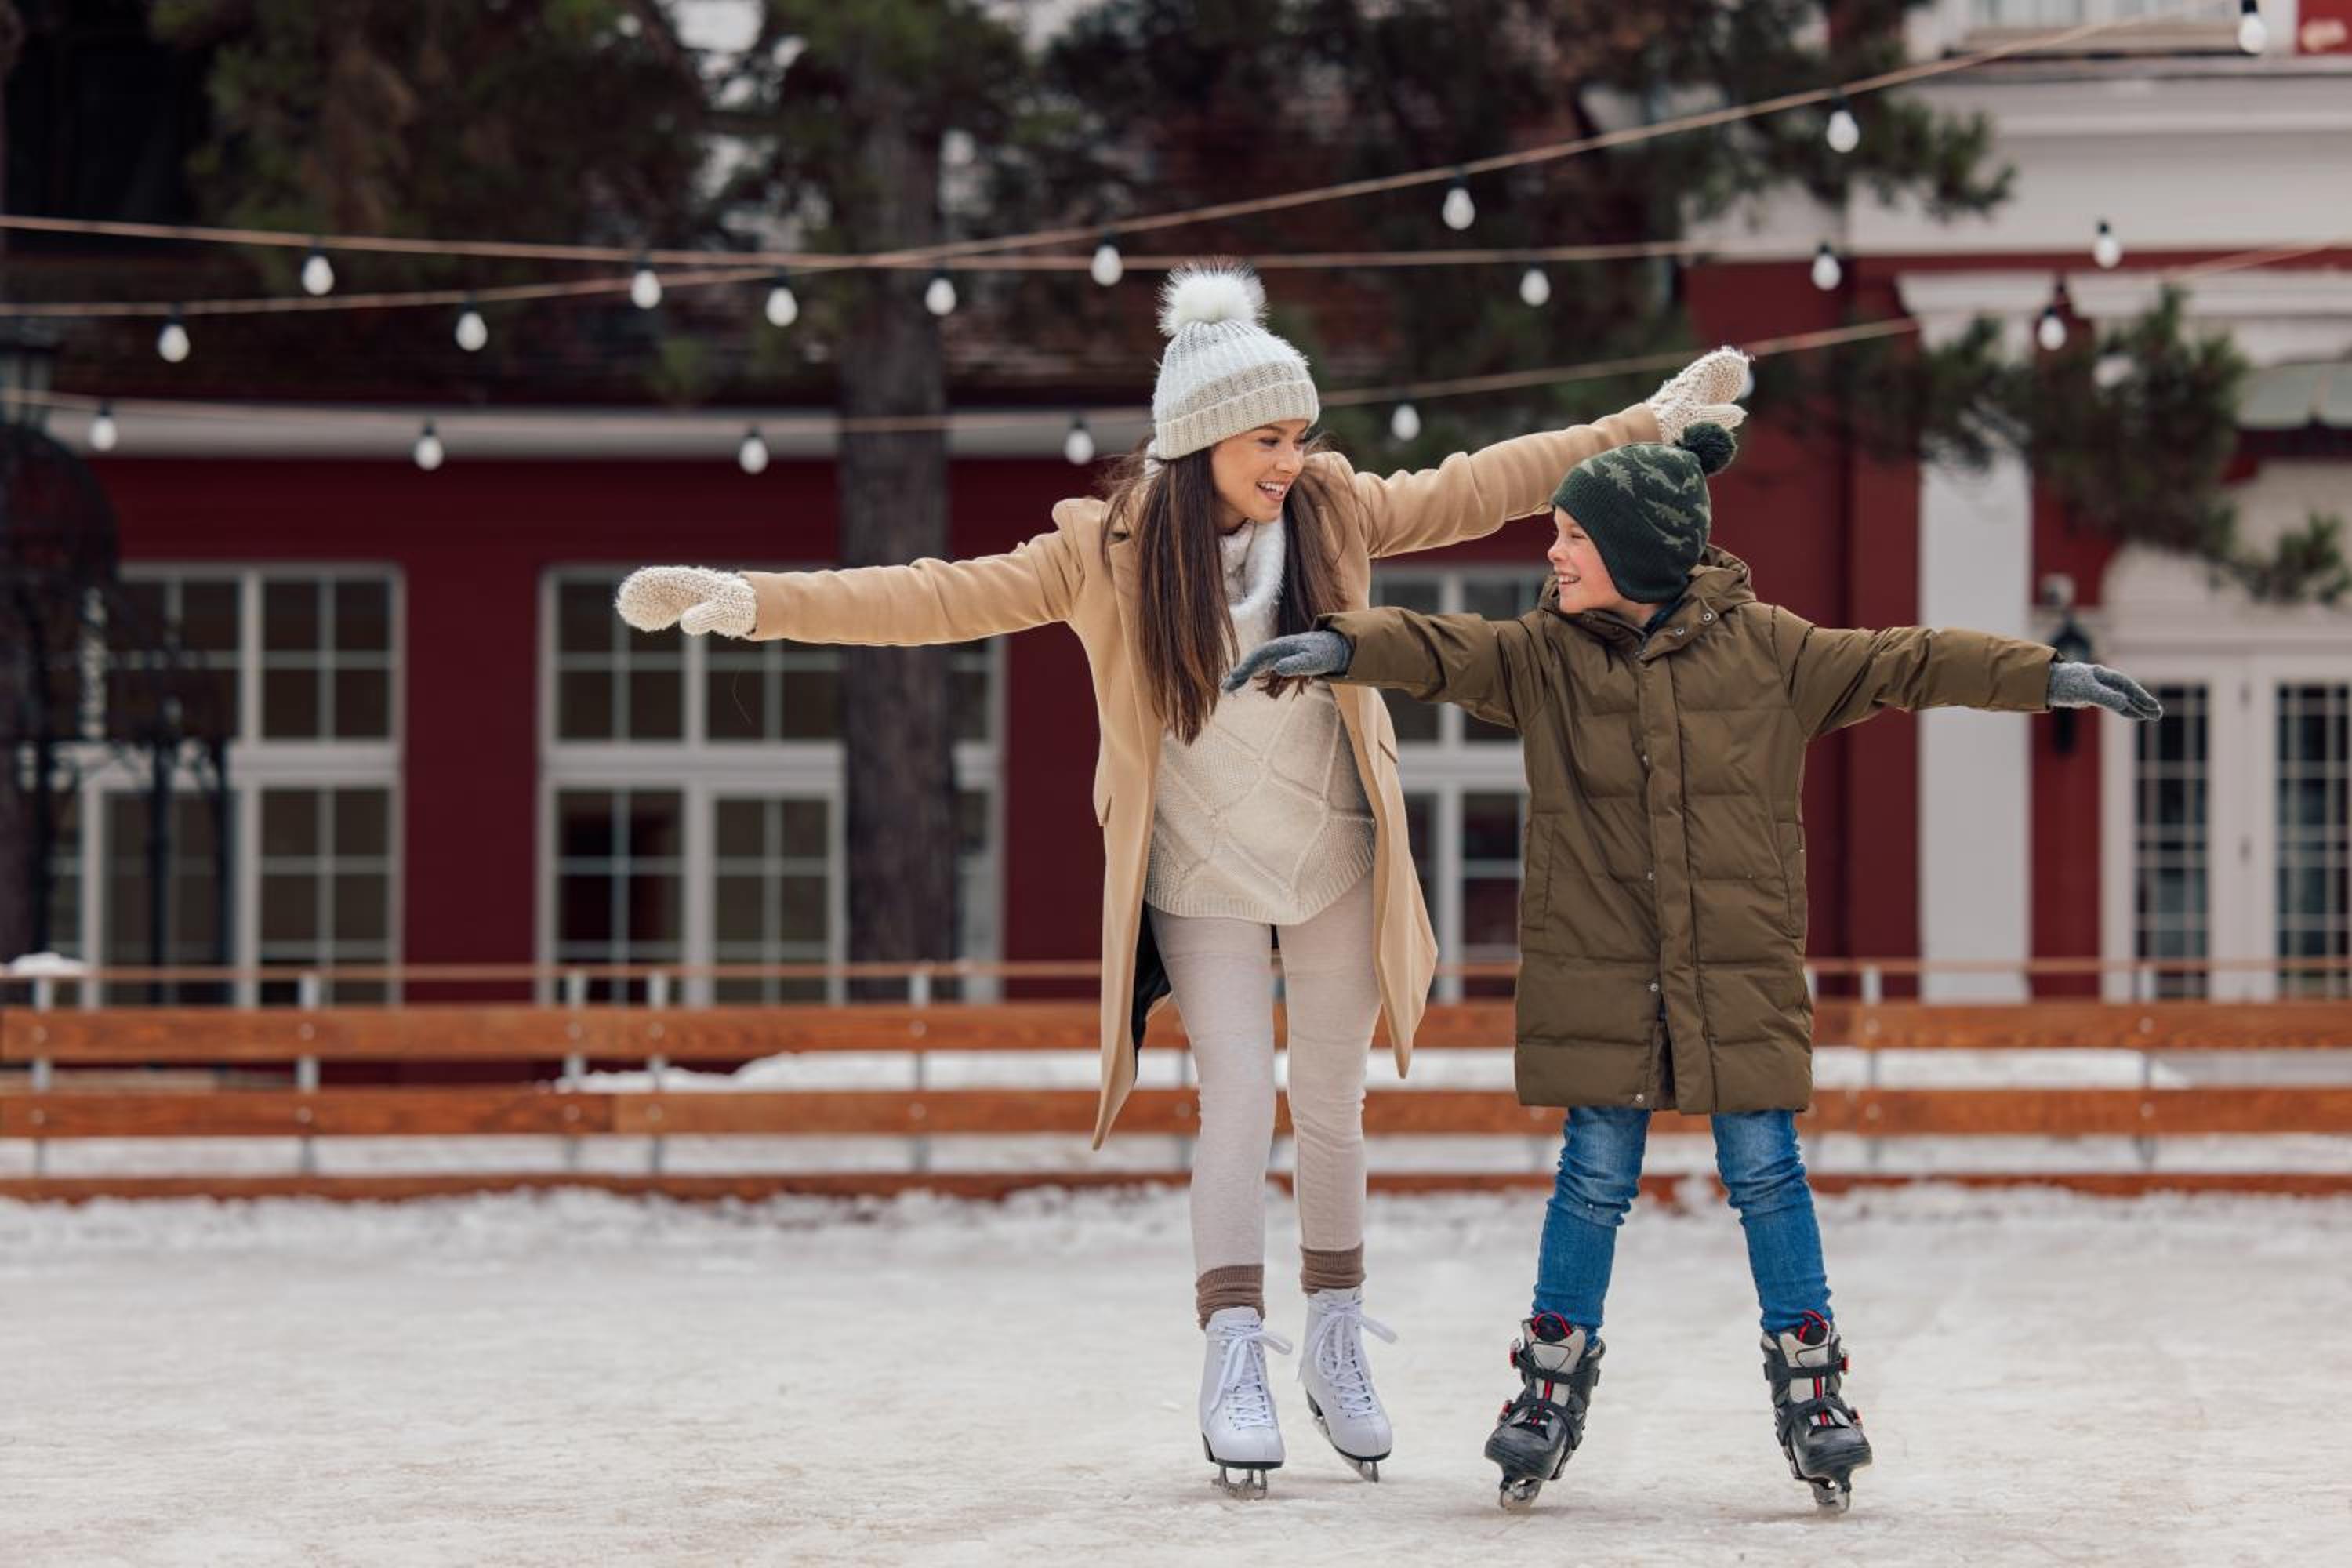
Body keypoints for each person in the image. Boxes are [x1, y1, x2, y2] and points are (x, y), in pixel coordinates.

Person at [613, 260, 1753, 1496]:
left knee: (1332, 1106)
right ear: (1205, 437)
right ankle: (1233, 1351)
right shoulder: (1101, 552)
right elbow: (935, 598)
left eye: (1300, 436)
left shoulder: (1332, 513)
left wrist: (1649, 425)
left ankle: (1334, 1337)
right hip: (1201, 869)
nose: (1291, 459)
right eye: (1270, 439)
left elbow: (1484, 484)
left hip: (1333, 855)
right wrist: (754, 604)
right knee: (1237, 1103)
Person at [1225, 419, 2160, 1512]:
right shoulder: (1544, 658)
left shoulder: (1775, 655)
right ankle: (1548, 1386)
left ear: (1638, 550)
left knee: (1767, 1172)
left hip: (1736, 971)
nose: (1553, 554)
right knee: (1594, 1175)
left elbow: (1910, 660)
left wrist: (2051, 676)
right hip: (1605, 973)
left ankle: (1813, 1388)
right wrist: (1341, 646)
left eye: (1574, 537)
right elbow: (1436, 648)